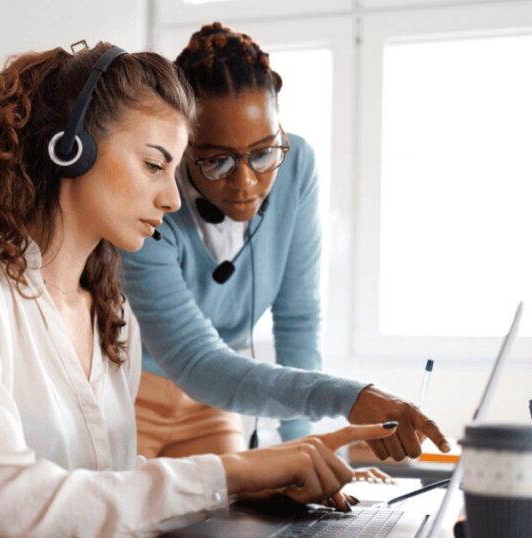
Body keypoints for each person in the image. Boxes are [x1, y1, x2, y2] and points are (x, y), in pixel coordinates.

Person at [0, 42, 398, 536]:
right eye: (155, 165)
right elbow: (1, 504)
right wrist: (231, 473)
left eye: (176, 171)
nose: (174, 198)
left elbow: (96, 483)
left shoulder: (111, 315)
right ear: (71, 150)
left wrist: (248, 483)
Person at [121, 22, 451, 461]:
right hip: (132, 389)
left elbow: (297, 319)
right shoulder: (150, 192)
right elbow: (193, 357)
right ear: (184, 148)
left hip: (213, 399)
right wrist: (349, 397)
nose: (247, 182)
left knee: (232, 522)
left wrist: (311, 449)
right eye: (216, 161)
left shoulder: (297, 168)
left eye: (263, 153)